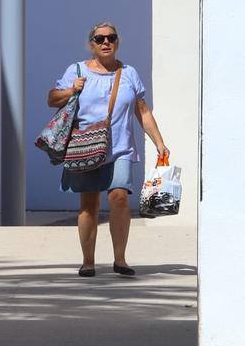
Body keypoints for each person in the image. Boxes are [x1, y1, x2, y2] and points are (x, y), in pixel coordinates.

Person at [47, 22, 168, 277]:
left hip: (120, 148)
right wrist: (72, 89)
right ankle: (88, 261)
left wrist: (159, 142)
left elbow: (142, 110)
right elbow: (52, 99)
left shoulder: (129, 73)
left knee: (120, 197)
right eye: (99, 38)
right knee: (89, 204)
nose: (105, 42)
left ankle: (120, 259)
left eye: (111, 38)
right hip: (86, 145)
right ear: (91, 43)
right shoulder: (77, 70)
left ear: (117, 42)